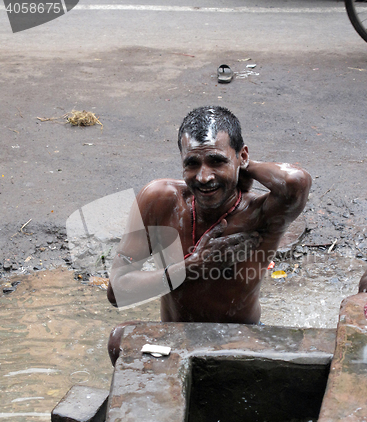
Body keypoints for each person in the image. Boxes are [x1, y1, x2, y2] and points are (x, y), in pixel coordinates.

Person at [107, 106, 312, 365]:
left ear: (242, 155)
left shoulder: (260, 213)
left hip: (240, 339)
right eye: (192, 164)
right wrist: (192, 267)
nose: (204, 177)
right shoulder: (159, 200)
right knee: (120, 340)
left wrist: (243, 168)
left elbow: (297, 182)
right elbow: (117, 291)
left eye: (217, 160)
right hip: (175, 338)